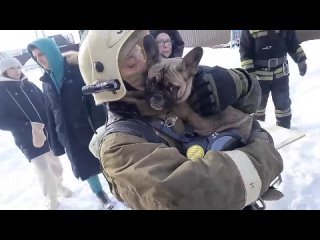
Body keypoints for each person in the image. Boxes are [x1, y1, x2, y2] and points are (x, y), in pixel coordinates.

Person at [78, 30, 283, 210]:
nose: (145, 62)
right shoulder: (120, 147)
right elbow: (197, 194)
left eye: (142, 51)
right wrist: (263, 151)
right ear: (110, 83)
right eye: (131, 61)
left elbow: (246, 112)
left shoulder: (175, 89)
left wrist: (240, 83)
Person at [26, 38, 113, 210]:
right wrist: (55, 141)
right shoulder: (46, 81)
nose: (40, 59)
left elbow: (96, 102)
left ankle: (116, 188)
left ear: (51, 51)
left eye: (42, 54)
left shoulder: (77, 70)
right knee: (84, 167)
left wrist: (102, 128)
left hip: (89, 128)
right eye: (36, 57)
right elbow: (50, 113)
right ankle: (99, 193)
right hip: (68, 134)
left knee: (106, 162)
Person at [0, 57, 72, 210]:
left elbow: (46, 103)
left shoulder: (29, 85)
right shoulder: (2, 90)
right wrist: (26, 126)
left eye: (18, 67)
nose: (16, 71)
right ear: (4, 71)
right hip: (27, 138)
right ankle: (51, 199)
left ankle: (59, 186)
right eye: (12, 68)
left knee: (56, 165)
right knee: (43, 170)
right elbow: (2, 120)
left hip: (47, 133)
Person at [240, 30, 307, 129]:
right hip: (259, 78)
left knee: (283, 106)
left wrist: (301, 59)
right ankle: (257, 134)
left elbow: (292, 42)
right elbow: (245, 51)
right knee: (258, 107)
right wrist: (250, 76)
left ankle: (284, 129)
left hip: (280, 76)